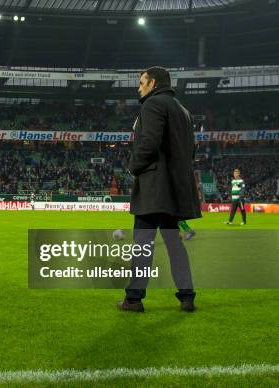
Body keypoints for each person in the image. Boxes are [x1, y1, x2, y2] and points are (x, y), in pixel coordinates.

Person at [119, 66, 201, 313]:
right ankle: (187, 297)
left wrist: (133, 167)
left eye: (142, 82)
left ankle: (134, 299)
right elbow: (191, 150)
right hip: (175, 189)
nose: (139, 87)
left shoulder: (153, 105)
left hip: (154, 188)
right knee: (174, 244)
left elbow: (149, 142)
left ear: (153, 83)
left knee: (142, 245)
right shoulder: (184, 111)